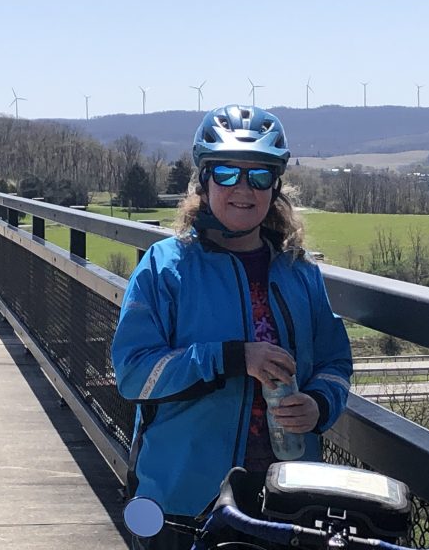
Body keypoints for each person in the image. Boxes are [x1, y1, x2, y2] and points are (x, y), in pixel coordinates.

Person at [111, 105, 353, 549]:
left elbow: (335, 362)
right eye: (226, 173)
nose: (243, 188)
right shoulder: (166, 267)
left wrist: (319, 404)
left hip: (286, 503)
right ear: (203, 182)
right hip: (184, 502)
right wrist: (232, 358)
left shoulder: (300, 272)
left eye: (259, 175)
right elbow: (133, 373)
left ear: (275, 186)